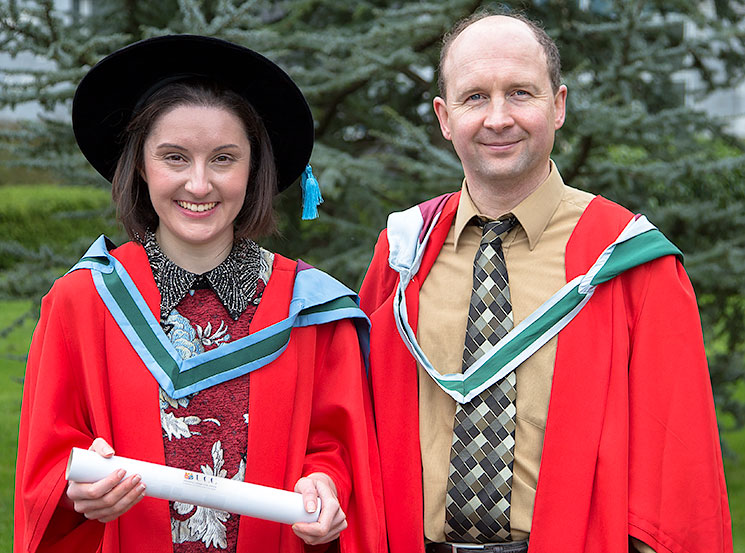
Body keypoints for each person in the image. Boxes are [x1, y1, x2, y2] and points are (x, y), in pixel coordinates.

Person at [360, 11, 732, 553]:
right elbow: (357, 428)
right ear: (444, 117)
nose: (498, 118)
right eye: (474, 98)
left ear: (558, 106)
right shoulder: (401, 254)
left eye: (520, 93)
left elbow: (676, 473)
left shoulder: (631, 261)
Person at [15, 35, 384, 553]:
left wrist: (327, 488)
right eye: (174, 157)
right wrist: (78, 493)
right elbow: (48, 469)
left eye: (224, 159)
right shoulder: (85, 303)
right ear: (140, 166)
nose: (199, 183)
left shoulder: (312, 314)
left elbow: (335, 452)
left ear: (254, 168)